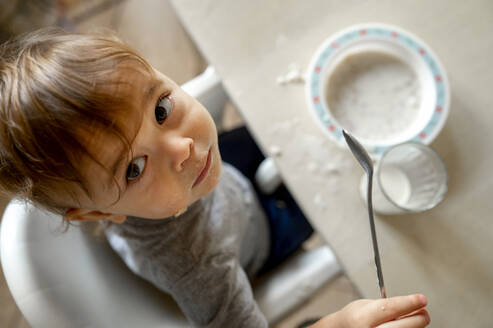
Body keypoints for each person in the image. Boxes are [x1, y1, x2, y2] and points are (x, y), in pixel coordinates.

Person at [0, 28, 430, 328]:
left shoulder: (180, 168)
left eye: (161, 110)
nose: (182, 148)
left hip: (224, 184)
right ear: (96, 212)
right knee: (339, 196)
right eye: (134, 168)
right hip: (264, 230)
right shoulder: (196, 264)